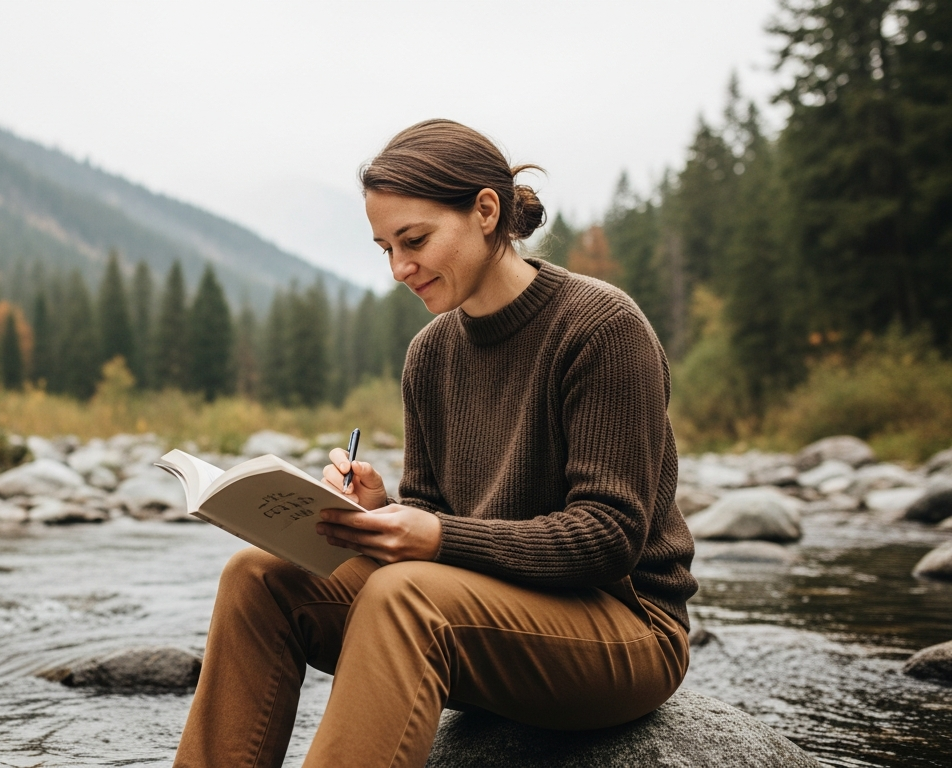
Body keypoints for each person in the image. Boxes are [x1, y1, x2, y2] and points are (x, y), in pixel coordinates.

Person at [173, 119, 697, 768]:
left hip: (623, 627)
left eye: (415, 240)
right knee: (257, 577)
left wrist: (437, 536)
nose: (399, 268)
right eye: (386, 248)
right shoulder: (430, 354)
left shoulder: (601, 328)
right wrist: (381, 512)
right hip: (482, 613)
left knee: (404, 596)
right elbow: (433, 520)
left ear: (486, 211)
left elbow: (608, 536)